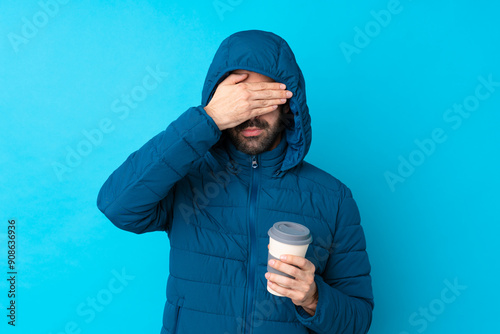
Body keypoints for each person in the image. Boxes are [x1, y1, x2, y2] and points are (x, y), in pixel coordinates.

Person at [97, 29, 373, 334]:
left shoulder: (333, 198)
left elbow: (358, 321)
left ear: (288, 104)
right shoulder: (185, 175)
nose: (249, 115)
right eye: (239, 101)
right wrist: (208, 118)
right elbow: (116, 205)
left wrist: (313, 298)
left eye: (262, 99)